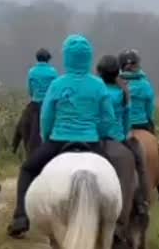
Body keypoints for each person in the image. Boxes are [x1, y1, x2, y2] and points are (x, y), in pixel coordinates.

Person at [8, 34, 114, 237]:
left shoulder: (58, 84)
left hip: (59, 140)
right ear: (88, 58)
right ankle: (116, 224)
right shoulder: (98, 85)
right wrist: (97, 133)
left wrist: (47, 137)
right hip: (91, 141)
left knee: (28, 169)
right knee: (113, 175)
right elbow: (108, 118)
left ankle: (21, 215)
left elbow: (46, 116)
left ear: (67, 57)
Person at [96, 54, 149, 215]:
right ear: (116, 73)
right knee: (139, 161)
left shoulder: (94, 89)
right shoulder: (123, 92)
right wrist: (125, 133)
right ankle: (141, 200)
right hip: (117, 138)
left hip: (93, 137)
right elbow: (126, 119)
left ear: (99, 72)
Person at [118, 49, 159, 201]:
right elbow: (150, 109)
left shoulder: (117, 84)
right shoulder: (145, 84)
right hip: (142, 124)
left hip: (123, 127)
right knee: (157, 155)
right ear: (137, 65)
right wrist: (150, 121)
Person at [21, 47, 59, 153]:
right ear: (48, 59)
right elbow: (55, 90)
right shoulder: (53, 72)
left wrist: (34, 96)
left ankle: (14, 146)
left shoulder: (31, 72)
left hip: (35, 103)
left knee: (22, 123)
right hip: (49, 104)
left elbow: (30, 90)